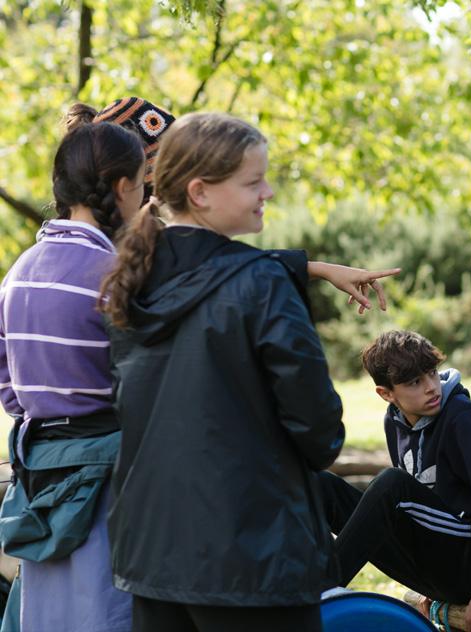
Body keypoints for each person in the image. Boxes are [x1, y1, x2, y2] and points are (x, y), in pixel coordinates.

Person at [99, 112, 344, 632]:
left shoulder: (129, 283)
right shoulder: (262, 282)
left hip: (152, 553)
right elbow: (317, 425)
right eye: (253, 182)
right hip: (251, 554)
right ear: (200, 192)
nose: (267, 192)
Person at [0, 112, 147, 632]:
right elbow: (143, 385)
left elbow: (10, 391)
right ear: (123, 188)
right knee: (108, 613)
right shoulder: (117, 277)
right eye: (143, 185)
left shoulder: (18, 271)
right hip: (109, 482)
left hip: (40, 474)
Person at [88, 95, 401, 313]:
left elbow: (226, 263)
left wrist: (320, 268)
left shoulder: (144, 243)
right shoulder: (114, 256)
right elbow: (225, 265)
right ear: (125, 183)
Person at [318, 330, 471, 632]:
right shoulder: (394, 421)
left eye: (431, 373)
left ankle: (322, 591)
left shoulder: (466, 419)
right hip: (437, 563)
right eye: (414, 382)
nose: (431, 387)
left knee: (393, 484)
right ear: (386, 394)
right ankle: (299, 581)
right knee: (320, 486)